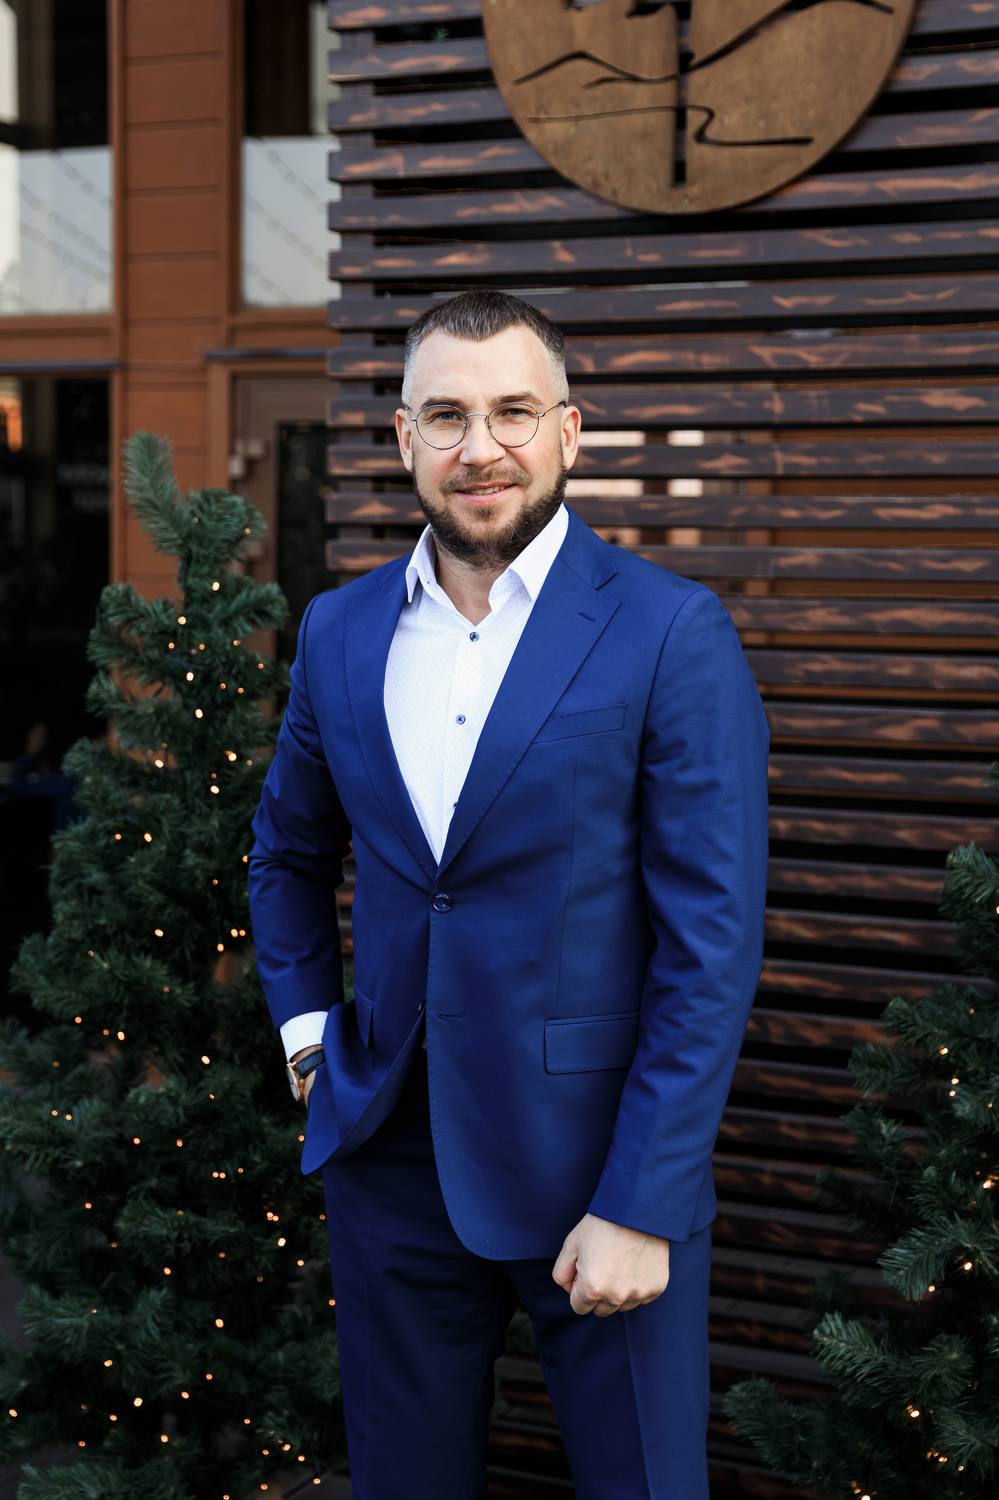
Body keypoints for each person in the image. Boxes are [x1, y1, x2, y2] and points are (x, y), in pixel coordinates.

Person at [247, 289, 770, 1499]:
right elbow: (286, 856)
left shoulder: (670, 631)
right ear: (405, 439)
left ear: (568, 431)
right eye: (446, 415)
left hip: (602, 1166)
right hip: (390, 1157)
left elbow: (710, 942)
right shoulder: (339, 630)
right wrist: (311, 1038)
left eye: (513, 412)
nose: (480, 446)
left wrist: (644, 1199)